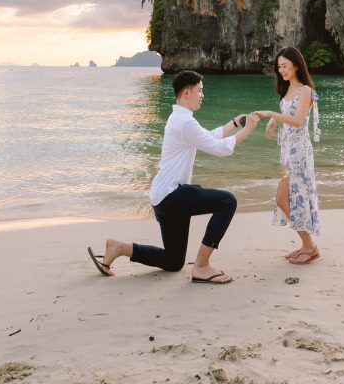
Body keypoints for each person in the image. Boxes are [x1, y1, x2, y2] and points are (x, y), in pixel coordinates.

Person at [87, 70, 260, 284]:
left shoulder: (180, 119)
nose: (202, 95)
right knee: (227, 201)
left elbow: (209, 137)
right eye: (200, 91)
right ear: (187, 93)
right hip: (172, 195)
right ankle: (202, 266)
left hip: (163, 198)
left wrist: (234, 124)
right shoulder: (185, 123)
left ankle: (120, 247)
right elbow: (219, 148)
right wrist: (248, 130)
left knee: (173, 261)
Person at [257, 46, 321, 265]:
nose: (281, 70)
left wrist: (271, 114)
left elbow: (298, 120)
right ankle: (307, 245)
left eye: (284, 66)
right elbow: (288, 113)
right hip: (287, 151)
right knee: (287, 198)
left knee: (288, 198)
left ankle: (309, 246)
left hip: (300, 153)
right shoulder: (287, 91)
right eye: (278, 67)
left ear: (296, 65)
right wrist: (274, 122)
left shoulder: (305, 91)